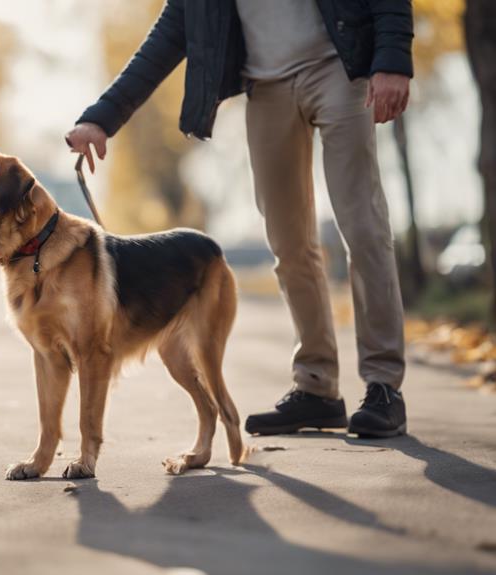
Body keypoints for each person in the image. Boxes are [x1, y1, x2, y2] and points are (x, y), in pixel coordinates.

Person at [66, 0, 413, 438]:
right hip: (266, 88)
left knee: (363, 227)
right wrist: (103, 116)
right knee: (288, 244)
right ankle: (317, 386)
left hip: (340, 69)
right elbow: (171, 34)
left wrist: (393, 60)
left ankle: (383, 385)